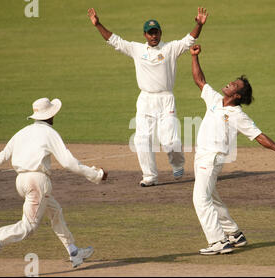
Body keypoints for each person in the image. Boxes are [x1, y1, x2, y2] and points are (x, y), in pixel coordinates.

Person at [0, 97, 108, 268]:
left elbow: (2, 156)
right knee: (29, 226)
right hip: (37, 183)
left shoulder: (21, 132)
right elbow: (68, 163)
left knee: (55, 212)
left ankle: (73, 251)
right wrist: (96, 175)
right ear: (50, 115)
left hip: (21, 182)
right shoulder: (50, 133)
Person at [87, 7, 208, 187]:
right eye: (150, 33)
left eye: (156, 32)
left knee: (170, 140)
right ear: (145, 35)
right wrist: (98, 25)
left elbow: (189, 39)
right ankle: (149, 176)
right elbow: (114, 41)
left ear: (160, 33)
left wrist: (198, 24)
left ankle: (177, 163)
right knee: (141, 139)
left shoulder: (170, 48)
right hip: (145, 99)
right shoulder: (136, 49)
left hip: (165, 99)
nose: (153, 36)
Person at [189, 44, 275, 255]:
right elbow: (200, 81)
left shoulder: (238, 115)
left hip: (212, 158)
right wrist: (194, 57)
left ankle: (218, 241)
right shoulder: (215, 100)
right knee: (213, 198)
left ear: (237, 95)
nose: (229, 83)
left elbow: (258, 135)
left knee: (201, 199)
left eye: (234, 84)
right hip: (202, 157)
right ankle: (234, 234)